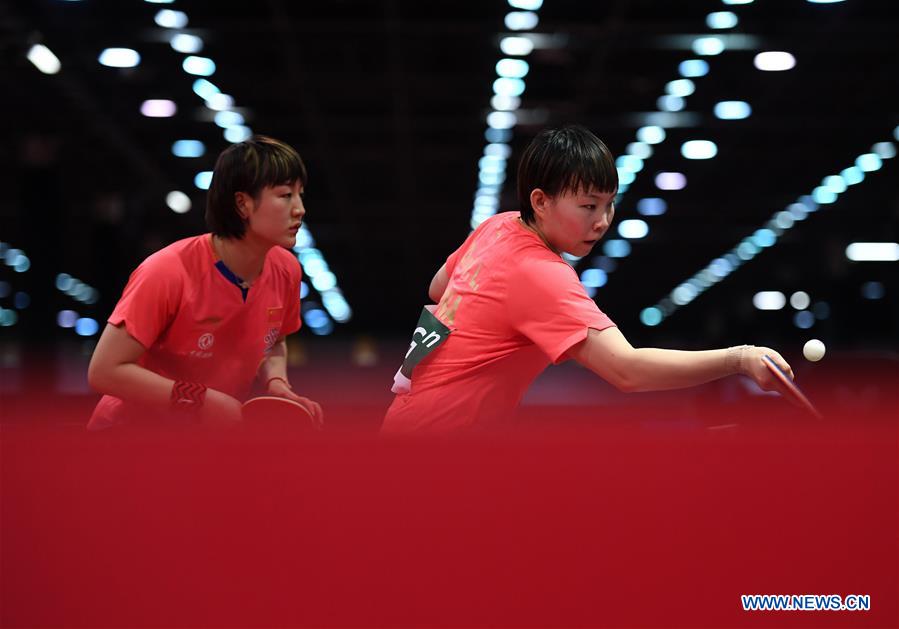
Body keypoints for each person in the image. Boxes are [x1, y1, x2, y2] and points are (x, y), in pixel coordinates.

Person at [381, 125, 793, 433]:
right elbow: (627, 369)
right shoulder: (539, 273)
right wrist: (739, 359)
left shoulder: (497, 227)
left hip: (404, 428)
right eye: (588, 206)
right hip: (438, 456)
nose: (602, 221)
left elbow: (439, 287)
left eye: (609, 205)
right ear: (540, 201)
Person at [87, 135, 323, 430]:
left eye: (300, 194)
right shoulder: (166, 272)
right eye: (286, 195)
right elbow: (104, 371)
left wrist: (277, 382)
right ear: (242, 203)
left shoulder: (286, 270)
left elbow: (274, 341)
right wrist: (200, 398)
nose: (300, 208)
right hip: (125, 437)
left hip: (197, 439)